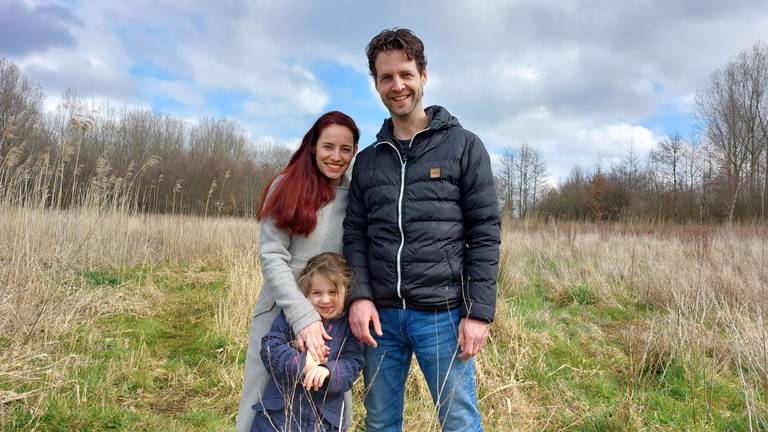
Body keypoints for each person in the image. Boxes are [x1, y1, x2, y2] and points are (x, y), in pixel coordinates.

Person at [343, 28, 500, 432]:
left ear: (423, 76)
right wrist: (359, 297)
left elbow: (484, 231)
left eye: (405, 74)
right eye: (386, 77)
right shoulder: (368, 161)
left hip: (443, 316)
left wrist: (479, 313)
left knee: (459, 421)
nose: (397, 86)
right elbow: (355, 235)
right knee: (379, 423)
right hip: (381, 318)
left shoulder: (464, 147)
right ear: (376, 84)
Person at [237, 111, 359, 432]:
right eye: (328, 146)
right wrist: (303, 318)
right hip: (282, 306)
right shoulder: (287, 185)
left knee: (329, 397)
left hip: (333, 313)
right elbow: (273, 256)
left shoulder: (358, 194)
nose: (336, 157)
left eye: (345, 149)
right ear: (313, 146)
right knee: (264, 398)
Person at [251, 252, 364, 432]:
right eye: (317, 293)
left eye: (333, 292)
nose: (325, 299)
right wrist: (301, 364)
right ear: (306, 294)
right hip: (278, 417)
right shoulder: (293, 320)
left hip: (323, 421)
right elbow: (270, 348)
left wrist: (328, 372)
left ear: (346, 290)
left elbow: (353, 364)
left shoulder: (349, 326)